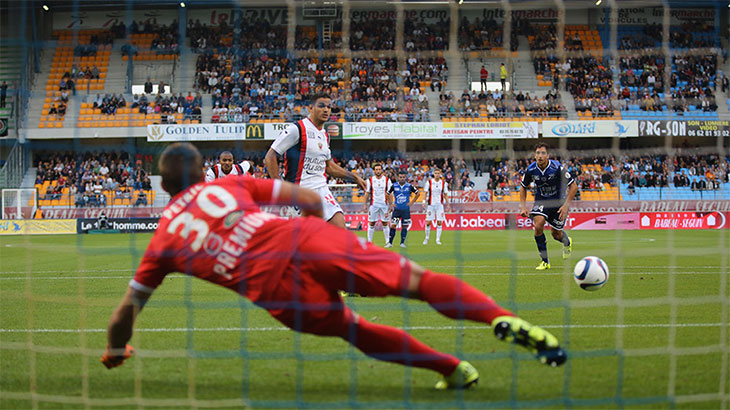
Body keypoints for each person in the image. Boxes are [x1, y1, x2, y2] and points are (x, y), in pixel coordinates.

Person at [101, 142, 567, 390]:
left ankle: (452, 370)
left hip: (276, 292)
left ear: (163, 185)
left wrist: (117, 350)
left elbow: (124, 314)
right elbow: (305, 198)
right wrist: (316, 235)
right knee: (419, 282)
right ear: (203, 172)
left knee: (355, 330)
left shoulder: (163, 240)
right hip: (304, 241)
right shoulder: (229, 187)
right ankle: (501, 318)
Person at [264, 93, 366, 228]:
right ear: (311, 108)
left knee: (340, 228)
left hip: (322, 189)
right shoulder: (297, 129)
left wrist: (354, 177)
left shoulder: (325, 135)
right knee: (303, 238)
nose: (326, 110)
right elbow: (270, 156)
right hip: (300, 192)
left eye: (329, 107)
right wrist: (281, 189)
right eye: (321, 106)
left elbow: (328, 166)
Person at [519, 143, 578, 270]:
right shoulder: (531, 169)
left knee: (556, 234)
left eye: (543, 153)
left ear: (548, 156)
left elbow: (573, 186)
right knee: (538, 225)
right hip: (541, 201)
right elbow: (523, 187)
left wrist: (566, 206)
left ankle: (567, 242)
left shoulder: (557, 168)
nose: (540, 156)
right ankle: (545, 261)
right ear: (535, 155)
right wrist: (523, 207)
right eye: (538, 153)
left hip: (558, 203)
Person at [386, 170, 420, 248]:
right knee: (393, 226)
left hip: (405, 210)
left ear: (406, 177)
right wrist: (391, 204)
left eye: (403, 177)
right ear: (398, 177)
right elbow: (387, 194)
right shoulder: (394, 186)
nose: (402, 178)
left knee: (404, 226)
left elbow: (418, 193)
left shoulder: (409, 186)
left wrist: (411, 202)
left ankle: (402, 243)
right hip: (396, 210)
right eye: (400, 177)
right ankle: (390, 243)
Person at [364, 163, 392, 245]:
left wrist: (391, 204)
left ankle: (387, 242)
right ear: (374, 171)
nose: (378, 171)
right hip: (374, 205)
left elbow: (390, 193)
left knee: (385, 223)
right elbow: (367, 193)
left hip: (384, 205)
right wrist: (365, 204)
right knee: (371, 223)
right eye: (376, 170)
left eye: (379, 169)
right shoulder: (370, 180)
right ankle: (369, 242)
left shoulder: (387, 180)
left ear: (382, 170)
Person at [422, 168, 448, 245]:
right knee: (428, 222)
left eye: (438, 173)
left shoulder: (443, 183)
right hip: (431, 205)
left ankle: (438, 240)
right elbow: (425, 192)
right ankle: (426, 238)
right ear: (433, 174)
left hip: (440, 205)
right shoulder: (429, 182)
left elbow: (446, 194)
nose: (437, 175)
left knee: (439, 222)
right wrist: (423, 202)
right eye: (435, 173)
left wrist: (448, 204)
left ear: (440, 174)